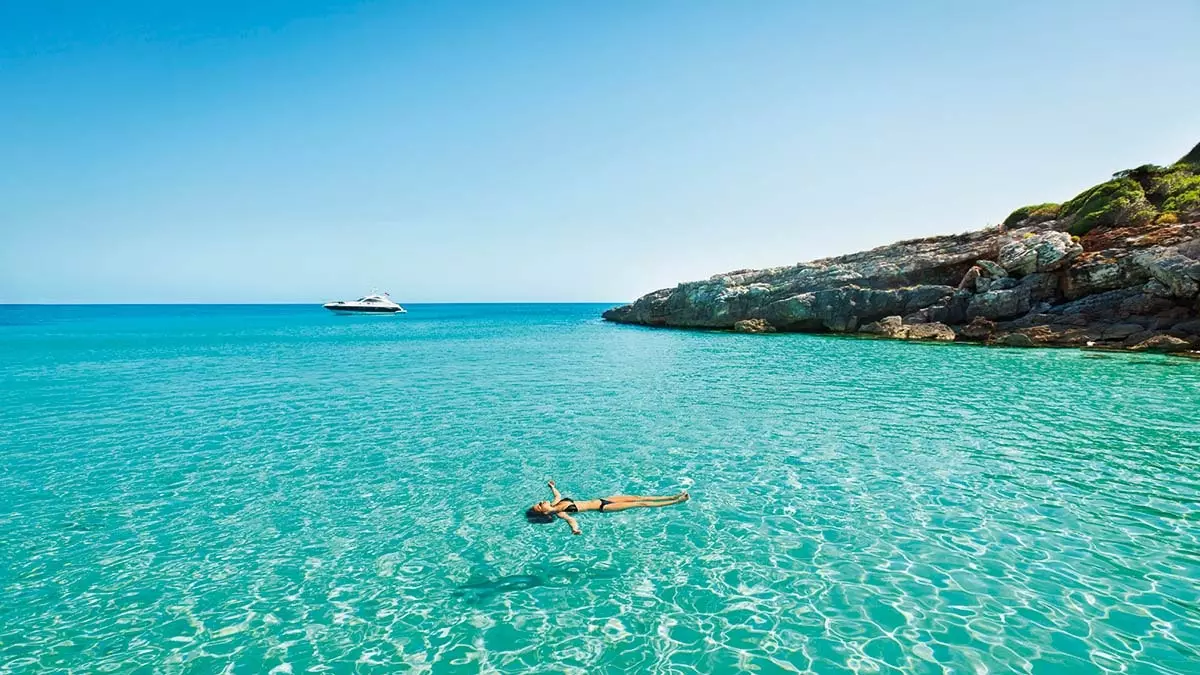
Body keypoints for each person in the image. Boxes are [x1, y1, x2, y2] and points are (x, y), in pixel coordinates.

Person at [525, 480, 689, 535]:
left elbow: (558, 495)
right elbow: (571, 521)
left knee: (638, 497)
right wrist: (575, 530)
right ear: (544, 512)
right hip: (603, 508)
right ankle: (677, 502)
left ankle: (673, 496)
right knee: (640, 503)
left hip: (602, 499)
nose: (541, 501)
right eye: (540, 505)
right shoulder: (561, 513)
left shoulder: (555, 503)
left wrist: (552, 487)